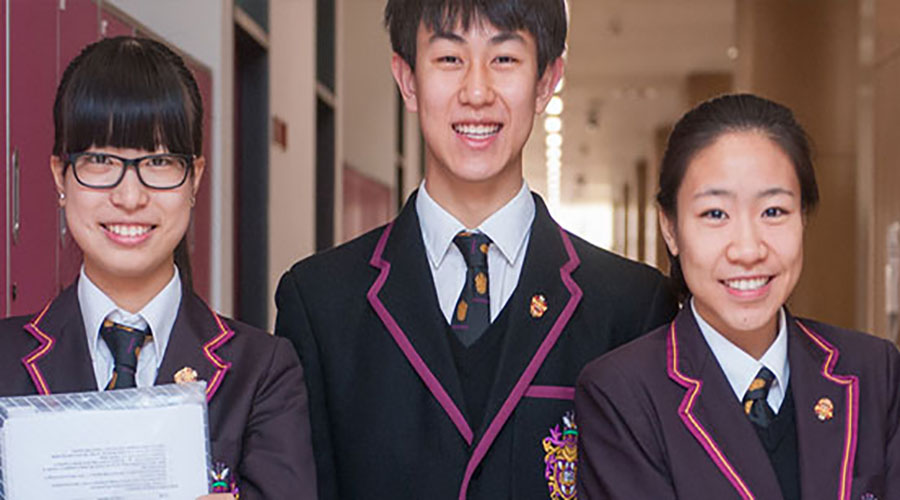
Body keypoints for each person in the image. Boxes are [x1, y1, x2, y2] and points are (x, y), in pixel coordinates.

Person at [274, 1, 677, 498]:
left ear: (547, 81)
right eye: (450, 59)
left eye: (504, 59)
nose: (477, 92)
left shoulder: (631, 306)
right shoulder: (320, 302)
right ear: (407, 79)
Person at [0, 36, 316, 499]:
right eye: (101, 160)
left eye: (159, 161)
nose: (130, 197)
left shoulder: (261, 373)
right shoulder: (4, 361)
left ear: (195, 179)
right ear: (59, 176)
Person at [576, 93, 900, 500]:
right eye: (715, 214)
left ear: (803, 217)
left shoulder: (873, 373)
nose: (748, 250)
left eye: (773, 212)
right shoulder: (622, 394)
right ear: (671, 229)